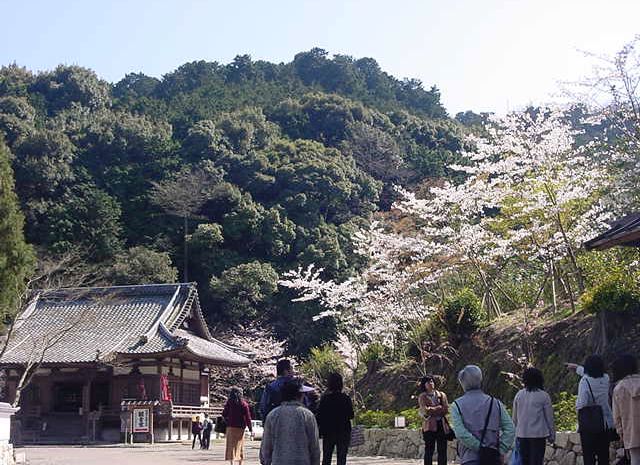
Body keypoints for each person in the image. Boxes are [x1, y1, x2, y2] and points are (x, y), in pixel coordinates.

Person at [450, 365, 515, 465]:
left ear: (463, 383)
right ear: (480, 380)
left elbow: (460, 433)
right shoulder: (495, 403)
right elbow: (510, 428)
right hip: (493, 459)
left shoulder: (457, 405)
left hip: (469, 458)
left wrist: (480, 448)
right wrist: (500, 449)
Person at [260, 377, 321, 465]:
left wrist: (266, 461)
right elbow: (314, 446)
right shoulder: (307, 415)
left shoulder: (273, 415)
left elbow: (266, 446)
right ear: (299, 395)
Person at [566, 355, 614, 465]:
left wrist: (576, 404)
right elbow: (591, 375)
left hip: (589, 425)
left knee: (589, 457)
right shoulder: (606, 378)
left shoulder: (584, 381)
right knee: (603, 456)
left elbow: (582, 403)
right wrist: (576, 367)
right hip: (605, 423)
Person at [512, 367, 555, 465]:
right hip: (538, 436)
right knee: (536, 462)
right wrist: (552, 435)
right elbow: (549, 418)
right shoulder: (544, 396)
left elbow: (514, 418)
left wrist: (514, 434)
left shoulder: (519, 395)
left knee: (524, 462)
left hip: (522, 435)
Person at [315, 372, 354, 465]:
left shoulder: (325, 399)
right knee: (342, 458)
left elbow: (319, 416)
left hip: (328, 431)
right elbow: (351, 415)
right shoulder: (346, 398)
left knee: (326, 457)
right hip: (343, 431)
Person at [611, 354, 640, 465]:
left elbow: (616, 416)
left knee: (635, 459)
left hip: (630, 432)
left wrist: (620, 433)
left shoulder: (619, 388)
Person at [417, 375, 451, 465]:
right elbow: (425, 411)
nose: (431, 383)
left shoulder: (441, 395)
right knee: (429, 450)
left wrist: (432, 409)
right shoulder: (422, 396)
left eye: (431, 381)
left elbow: (446, 409)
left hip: (441, 425)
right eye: (428, 382)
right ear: (424, 385)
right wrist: (438, 408)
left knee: (442, 450)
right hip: (429, 426)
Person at [223, 387, 252, 465]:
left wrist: (227, 419)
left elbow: (224, 414)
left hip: (231, 426)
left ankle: (232, 463)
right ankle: (240, 463)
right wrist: (250, 428)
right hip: (241, 427)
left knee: (231, 445)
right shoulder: (244, 404)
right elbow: (248, 417)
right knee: (240, 445)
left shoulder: (229, 403)